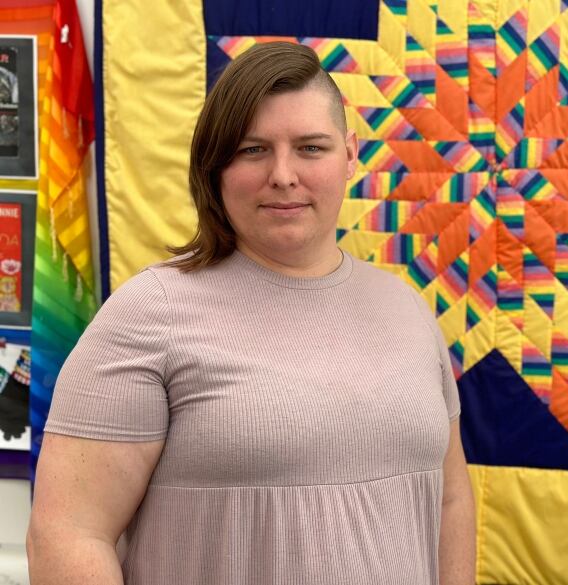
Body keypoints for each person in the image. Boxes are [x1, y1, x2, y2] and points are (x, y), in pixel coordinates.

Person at [26, 41, 476, 584]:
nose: (283, 174)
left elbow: (450, 501)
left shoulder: (406, 310)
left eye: (311, 148)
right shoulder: (148, 316)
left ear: (351, 154)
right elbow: (69, 534)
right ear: (215, 164)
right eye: (253, 150)